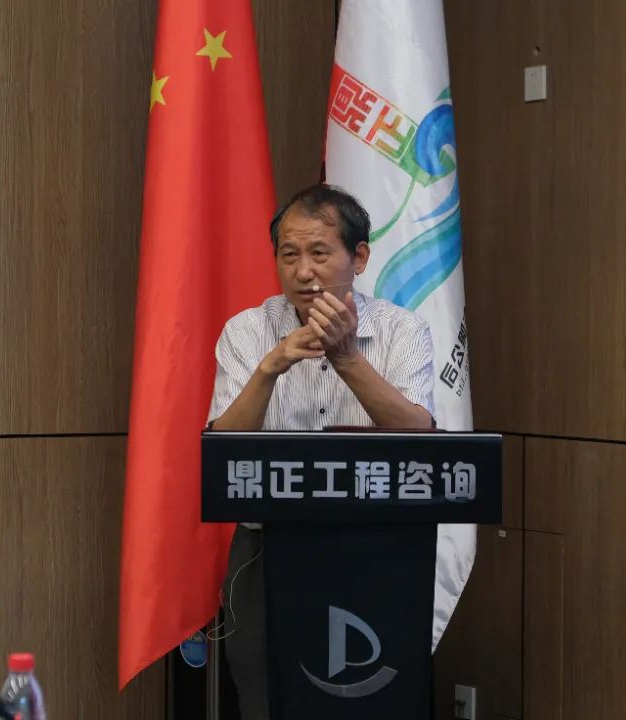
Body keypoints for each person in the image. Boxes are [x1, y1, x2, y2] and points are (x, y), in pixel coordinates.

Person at [206, 183, 435, 719]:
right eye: (289, 255)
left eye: (319, 252)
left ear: (359, 257)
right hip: (265, 552)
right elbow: (222, 453)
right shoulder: (248, 330)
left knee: (370, 701)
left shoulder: (403, 331)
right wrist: (270, 367)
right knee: (266, 698)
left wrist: (348, 358)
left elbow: (421, 440)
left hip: (378, 552)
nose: (303, 271)